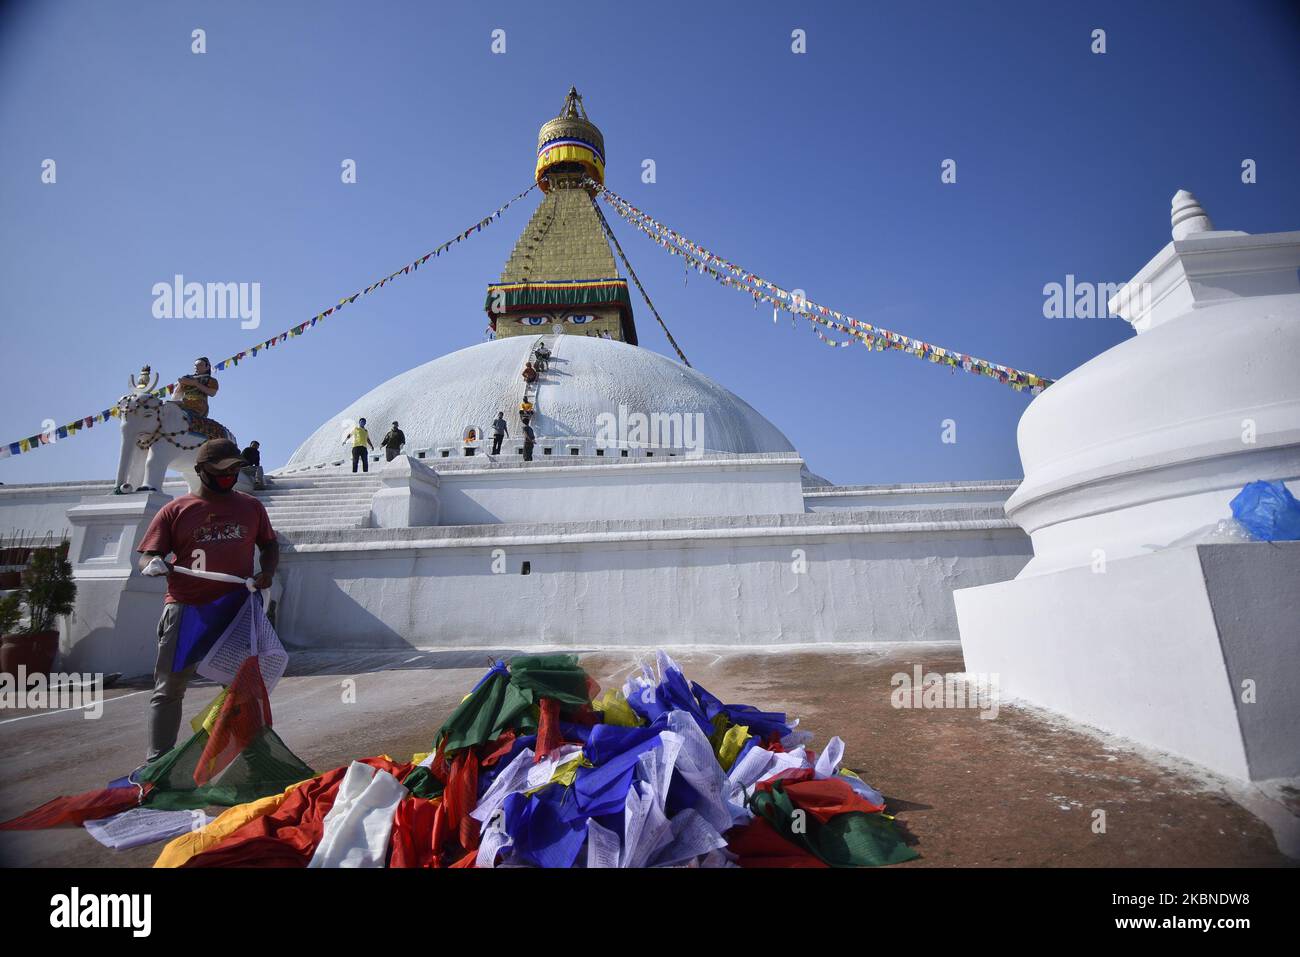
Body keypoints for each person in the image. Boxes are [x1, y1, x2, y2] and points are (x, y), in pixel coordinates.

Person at [136, 438, 278, 765]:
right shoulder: (176, 510)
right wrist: (152, 564)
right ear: (202, 471)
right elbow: (148, 554)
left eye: (234, 470)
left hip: (236, 610)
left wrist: (267, 571)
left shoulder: (251, 507)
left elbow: (269, 545)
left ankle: (252, 757)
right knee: (169, 689)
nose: (229, 476)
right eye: (221, 471)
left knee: (244, 690)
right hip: (187, 610)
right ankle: (158, 762)